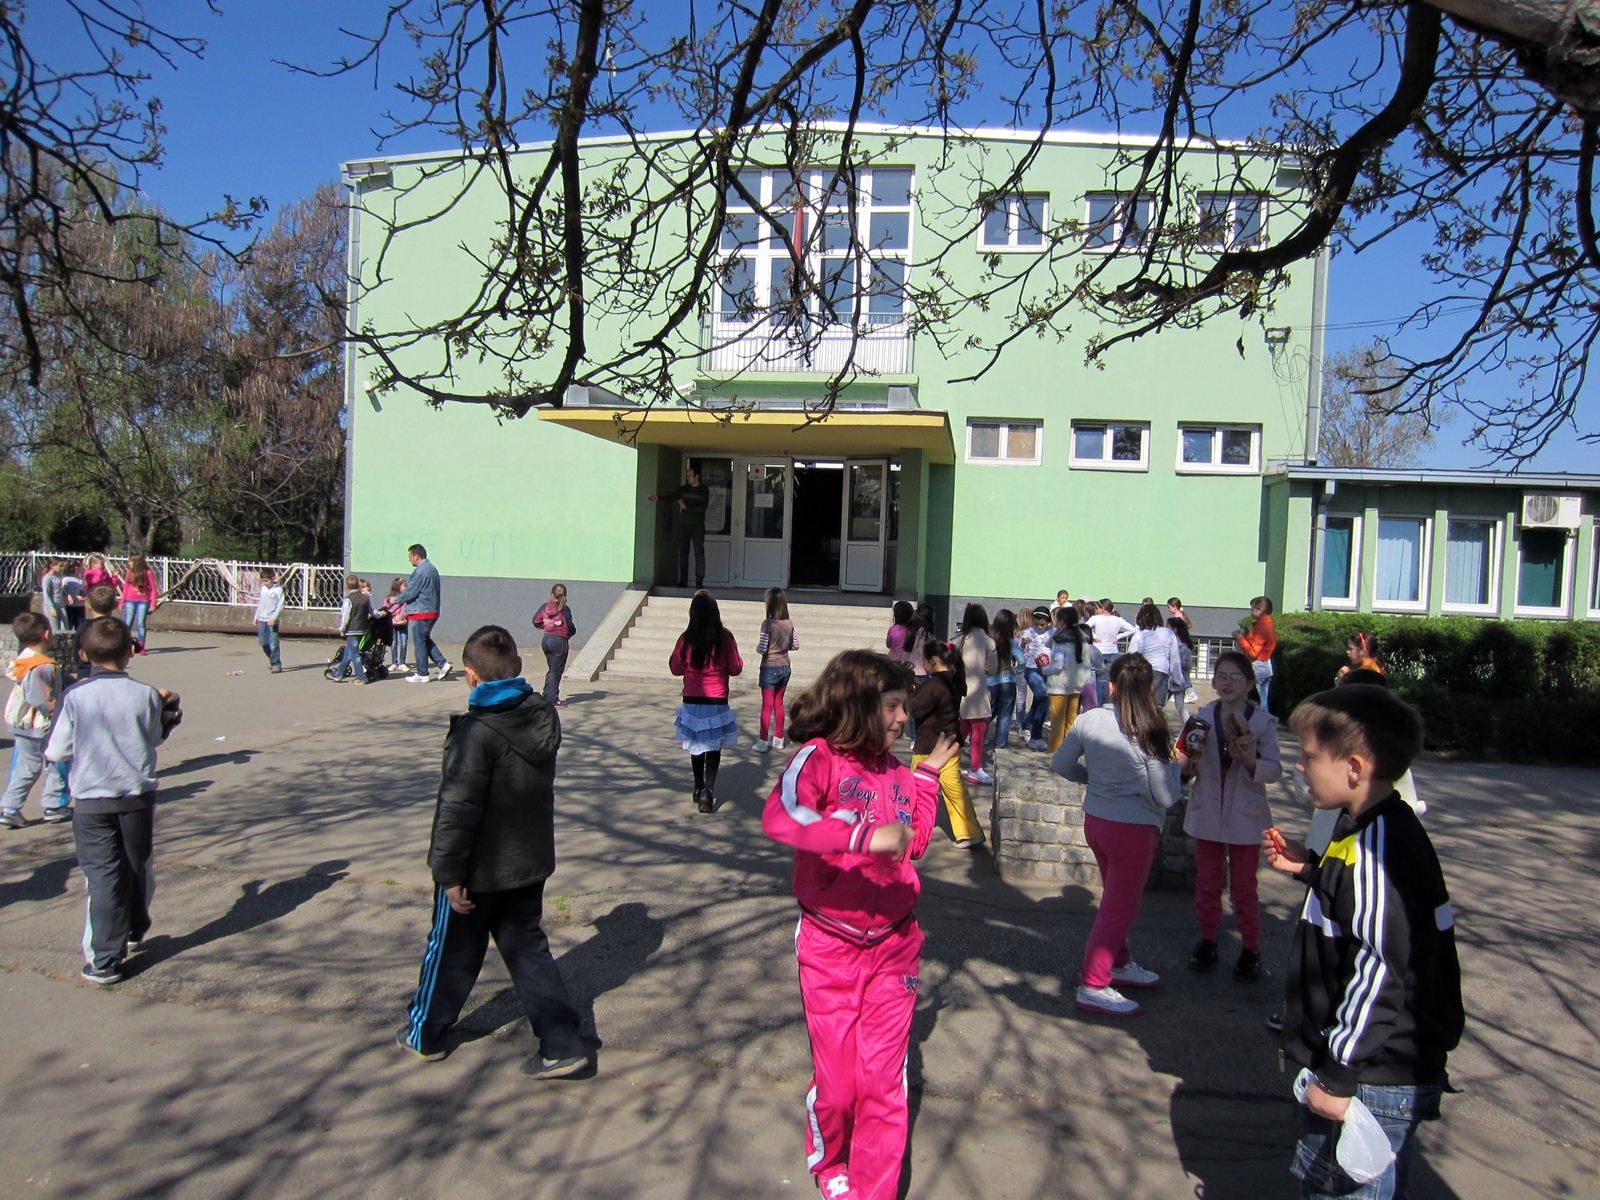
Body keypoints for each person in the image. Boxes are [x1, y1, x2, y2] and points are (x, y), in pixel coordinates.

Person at [761, 649, 955, 1200]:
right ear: (859, 703)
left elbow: (913, 843)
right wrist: (860, 836)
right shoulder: (819, 758)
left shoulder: (898, 773)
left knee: (882, 1086)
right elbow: (781, 816)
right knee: (840, 1088)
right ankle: (831, 1165)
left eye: (904, 706)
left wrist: (926, 779)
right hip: (829, 949)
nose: (903, 718)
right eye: (892, 706)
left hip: (896, 947)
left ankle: (874, 1192)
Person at [1264, 685, 1462, 1200]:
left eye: (1310, 757)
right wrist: (1311, 869)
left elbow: (1381, 966)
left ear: (1354, 768)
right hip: (1381, 1069)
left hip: (1370, 1075)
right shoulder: (1376, 827)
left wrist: (1337, 1074)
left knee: (1340, 1187)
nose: (1301, 767)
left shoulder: (1375, 847)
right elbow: (1368, 912)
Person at [396, 625, 592, 1079]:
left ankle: (425, 1034)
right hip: (528, 862)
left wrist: (448, 874)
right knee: (527, 951)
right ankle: (562, 1044)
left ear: (471, 676)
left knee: (450, 950)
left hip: (478, 871)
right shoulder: (541, 714)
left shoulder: (475, 733)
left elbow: (456, 810)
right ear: (517, 668)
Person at [44, 617, 182, 984]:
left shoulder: (76, 696)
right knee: (137, 865)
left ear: (82, 654)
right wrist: (169, 716)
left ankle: (104, 958)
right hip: (137, 796)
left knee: (103, 875)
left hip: (92, 799)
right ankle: (134, 927)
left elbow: (56, 750)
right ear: (129, 653)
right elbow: (155, 736)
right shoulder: (146, 694)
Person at [1051, 653, 1180, 1017]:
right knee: (1119, 907)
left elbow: (1060, 763)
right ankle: (1093, 983)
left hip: (1097, 821)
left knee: (1115, 899)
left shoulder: (1090, 719)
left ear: (1111, 687)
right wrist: (1178, 768)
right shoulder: (1150, 729)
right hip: (1133, 829)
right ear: (1149, 689)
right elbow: (1165, 796)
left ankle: (1118, 962)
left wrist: (1090, 778)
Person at [1181, 649, 1282, 980]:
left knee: (1243, 887)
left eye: (1235, 677)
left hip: (1245, 815)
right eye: (1221, 676)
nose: (1227, 683)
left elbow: (1274, 769)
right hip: (1207, 810)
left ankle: (1250, 947)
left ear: (1250, 684)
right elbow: (1183, 763)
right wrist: (1185, 768)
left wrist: (1250, 761)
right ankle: (1206, 940)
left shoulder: (1263, 723)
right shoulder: (1201, 719)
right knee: (1207, 882)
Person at [668, 590, 742, 813]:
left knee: (696, 745)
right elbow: (736, 667)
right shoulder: (725, 638)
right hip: (717, 700)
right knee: (713, 746)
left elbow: (674, 667)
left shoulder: (686, 639)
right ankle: (709, 790)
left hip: (692, 699)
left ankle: (698, 786)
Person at [908, 639, 985, 849]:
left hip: (930, 746)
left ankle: (912, 829)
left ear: (933, 660)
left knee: (915, 788)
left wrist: (909, 691)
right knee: (954, 789)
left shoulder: (934, 684)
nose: (923, 664)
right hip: (951, 742)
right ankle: (970, 832)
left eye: (924, 660)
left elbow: (916, 708)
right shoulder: (953, 679)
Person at [2, 612, 71, 828]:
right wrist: (57, 710)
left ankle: (10, 807)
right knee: (57, 762)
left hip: (23, 724)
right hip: (41, 725)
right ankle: (54, 804)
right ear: (47, 634)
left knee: (25, 767)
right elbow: (39, 697)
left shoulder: (24, 660)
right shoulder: (42, 666)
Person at [1044, 605, 1097, 754]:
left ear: (1061, 621)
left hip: (1059, 685)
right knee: (1070, 722)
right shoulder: (1082, 638)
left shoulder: (1060, 640)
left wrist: (1044, 669)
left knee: (1057, 724)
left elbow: (1058, 665)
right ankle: (1068, 753)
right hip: (1076, 684)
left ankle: (1054, 753)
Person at [649, 462, 710, 588]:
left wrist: (685, 507)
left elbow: (702, 509)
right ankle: (683, 580)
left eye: (690, 475)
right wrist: (658, 498)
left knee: (699, 552)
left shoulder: (703, 490)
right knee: (683, 552)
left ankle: (699, 582)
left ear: (697, 476)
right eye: (687, 475)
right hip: (684, 524)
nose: (688, 478)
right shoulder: (684, 489)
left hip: (697, 525)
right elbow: (672, 496)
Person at [955, 603, 996, 785]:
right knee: (979, 729)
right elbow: (993, 668)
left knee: (962, 728)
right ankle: (975, 768)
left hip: (961, 689)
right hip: (978, 690)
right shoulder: (988, 640)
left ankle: (952, 763)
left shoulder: (959, 639)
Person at [397, 544, 451, 683]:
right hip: (431, 610)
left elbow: (411, 592)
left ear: (416, 556)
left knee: (419, 643)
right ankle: (442, 664)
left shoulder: (420, 571)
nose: (409, 560)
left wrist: (396, 600)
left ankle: (422, 674)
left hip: (421, 612)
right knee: (425, 639)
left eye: (410, 557)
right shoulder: (432, 569)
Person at [754, 587, 798, 752]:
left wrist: (758, 648)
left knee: (767, 705)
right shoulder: (789, 623)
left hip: (769, 667)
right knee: (779, 703)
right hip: (785, 666)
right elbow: (795, 645)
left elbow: (762, 648)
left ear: (770, 604)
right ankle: (779, 739)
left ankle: (763, 741)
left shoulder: (768, 624)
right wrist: (783, 647)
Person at [1126, 601, 1184, 708]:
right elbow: (1175, 659)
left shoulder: (1139, 635)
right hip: (1161, 672)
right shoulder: (1168, 633)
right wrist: (1177, 679)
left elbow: (1130, 659)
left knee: (1140, 708)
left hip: (1142, 674)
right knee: (1157, 709)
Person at [531, 583, 576, 708]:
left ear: (551, 594)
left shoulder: (545, 607)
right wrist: (568, 633)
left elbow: (535, 621)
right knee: (556, 671)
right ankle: (553, 699)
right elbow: (570, 626)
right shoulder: (565, 609)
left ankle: (546, 696)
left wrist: (547, 626)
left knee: (552, 670)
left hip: (546, 640)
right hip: (559, 642)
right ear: (565, 595)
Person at [1087, 598, 1136, 705]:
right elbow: (1133, 629)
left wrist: (1094, 636)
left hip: (1098, 650)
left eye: (1097, 608)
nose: (1096, 610)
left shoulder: (1096, 618)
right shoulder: (1118, 619)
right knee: (1109, 679)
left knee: (1098, 680)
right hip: (1112, 651)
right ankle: (1108, 702)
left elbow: (1084, 627)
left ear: (1103, 608)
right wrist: (1118, 636)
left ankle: (1099, 703)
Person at [1019, 606, 1055, 746]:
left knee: (1038, 701)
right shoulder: (1028, 632)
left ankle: (1026, 724)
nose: (1039, 627)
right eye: (1037, 624)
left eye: (1042, 624)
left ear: (1048, 622)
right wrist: (1023, 644)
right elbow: (1019, 650)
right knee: (1045, 700)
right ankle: (1036, 736)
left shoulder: (1053, 632)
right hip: (1032, 670)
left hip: (1047, 669)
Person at [1235, 595, 1277, 712]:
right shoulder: (1268, 623)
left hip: (1257, 666)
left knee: (1254, 702)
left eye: (1252, 609)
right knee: (1263, 701)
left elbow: (1253, 652)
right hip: (1266, 664)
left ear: (1260, 610)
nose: (1251, 611)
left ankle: (1255, 721)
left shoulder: (1262, 627)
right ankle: (1264, 721)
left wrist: (1240, 638)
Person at [985, 608, 1019, 753]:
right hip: (1008, 681)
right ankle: (999, 746)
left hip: (991, 681)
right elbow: (1022, 660)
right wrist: (1016, 671)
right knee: (1005, 716)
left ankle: (977, 738)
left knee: (987, 712)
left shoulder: (989, 641)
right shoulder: (1011, 642)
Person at [120, 553, 160, 655]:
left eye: (131, 561)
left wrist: (153, 603)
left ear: (138, 563)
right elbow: (126, 587)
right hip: (130, 600)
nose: (129, 563)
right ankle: (126, 645)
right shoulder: (129, 573)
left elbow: (153, 588)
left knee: (141, 623)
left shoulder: (148, 573)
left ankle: (141, 647)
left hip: (143, 601)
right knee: (128, 623)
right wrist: (122, 601)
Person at [335, 574, 372, 685]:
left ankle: (361, 677)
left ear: (347, 586)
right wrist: (380, 614)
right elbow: (371, 611)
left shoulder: (348, 600)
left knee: (354, 654)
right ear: (358, 585)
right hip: (362, 629)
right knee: (348, 652)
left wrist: (342, 629)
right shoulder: (365, 598)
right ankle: (338, 674)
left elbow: (345, 616)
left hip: (352, 630)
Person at [254, 568, 285, 674]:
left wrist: (274, 618)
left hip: (272, 620)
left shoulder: (278, 590)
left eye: (267, 581)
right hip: (262, 619)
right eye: (263, 581)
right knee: (263, 642)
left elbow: (281, 605)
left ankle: (276, 664)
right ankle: (272, 659)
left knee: (273, 643)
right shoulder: (263, 589)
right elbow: (260, 604)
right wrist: (256, 617)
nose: (265, 583)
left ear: (273, 578)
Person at [1166, 616, 1197, 722]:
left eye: (1168, 626)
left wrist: (1174, 664)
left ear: (1175, 629)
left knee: (1179, 706)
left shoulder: (1183, 647)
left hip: (1178, 680)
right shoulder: (1169, 643)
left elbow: (1186, 666)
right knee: (1159, 705)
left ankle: (1188, 725)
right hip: (1168, 679)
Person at [383, 578, 410, 672]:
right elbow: (386, 609)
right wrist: (392, 618)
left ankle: (402, 663)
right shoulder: (389, 598)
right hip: (393, 624)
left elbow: (406, 609)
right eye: (404, 585)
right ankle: (394, 663)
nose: (406, 587)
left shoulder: (406, 598)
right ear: (397, 586)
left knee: (404, 643)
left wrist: (402, 617)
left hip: (403, 623)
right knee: (393, 643)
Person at [884, 599, 916, 665]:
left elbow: (888, 645)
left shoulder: (893, 629)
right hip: (908, 662)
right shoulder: (913, 630)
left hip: (893, 661)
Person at [40, 560, 68, 634]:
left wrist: (67, 595)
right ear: (52, 566)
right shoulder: (47, 578)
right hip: (52, 605)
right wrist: (51, 607)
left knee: (65, 627)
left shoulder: (59, 575)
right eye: (60, 566)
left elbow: (61, 588)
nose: (62, 568)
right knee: (55, 628)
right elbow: (46, 594)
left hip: (61, 604)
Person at [62, 562, 86, 632]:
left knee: (80, 627)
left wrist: (83, 597)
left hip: (80, 606)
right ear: (76, 568)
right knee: (68, 626)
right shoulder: (65, 579)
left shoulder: (81, 580)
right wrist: (72, 597)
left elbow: (83, 592)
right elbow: (63, 592)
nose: (83, 568)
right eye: (81, 567)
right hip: (69, 606)